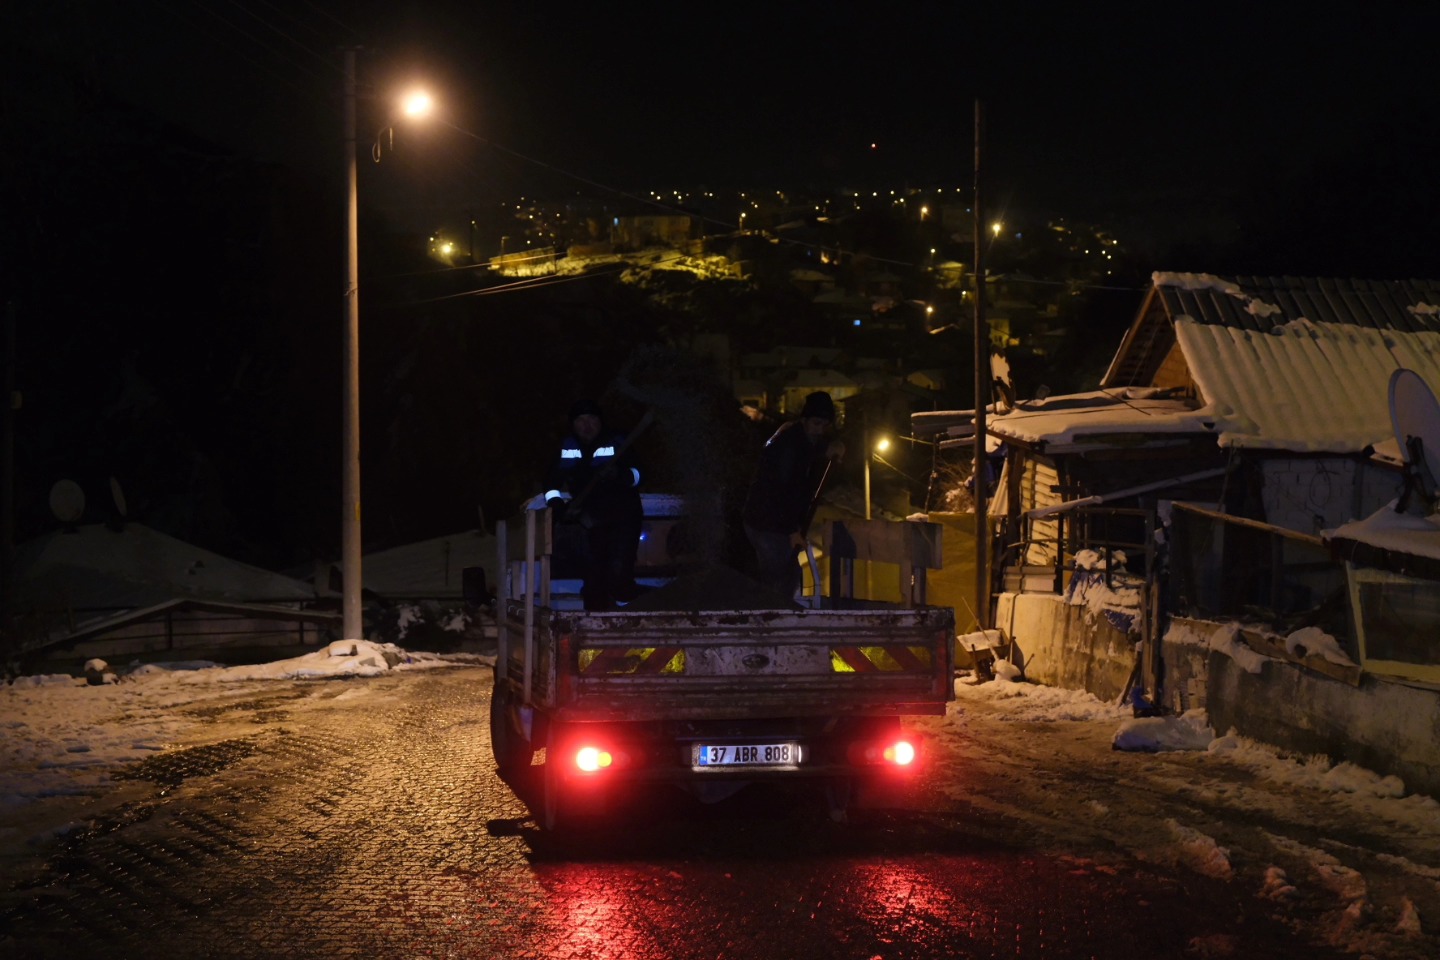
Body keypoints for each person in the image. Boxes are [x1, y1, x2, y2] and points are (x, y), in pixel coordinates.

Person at [742, 391, 845, 600]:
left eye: (824, 426)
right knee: (781, 577)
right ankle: (773, 619)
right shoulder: (788, 447)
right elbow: (781, 490)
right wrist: (791, 531)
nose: (819, 430)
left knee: (786, 576)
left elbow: (813, 448)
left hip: (773, 521)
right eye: (816, 424)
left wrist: (830, 447)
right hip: (767, 523)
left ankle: (775, 615)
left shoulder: (802, 439)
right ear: (804, 419)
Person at [544, 399, 644, 610]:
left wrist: (620, 474)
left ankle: (631, 614)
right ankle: (596, 627)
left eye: (591, 419)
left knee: (619, 572)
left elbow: (639, 475)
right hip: (589, 520)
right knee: (593, 577)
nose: (586, 426)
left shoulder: (619, 441)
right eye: (580, 421)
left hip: (622, 517)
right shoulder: (566, 447)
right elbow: (550, 483)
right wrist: (557, 504)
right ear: (573, 424)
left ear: (600, 422)